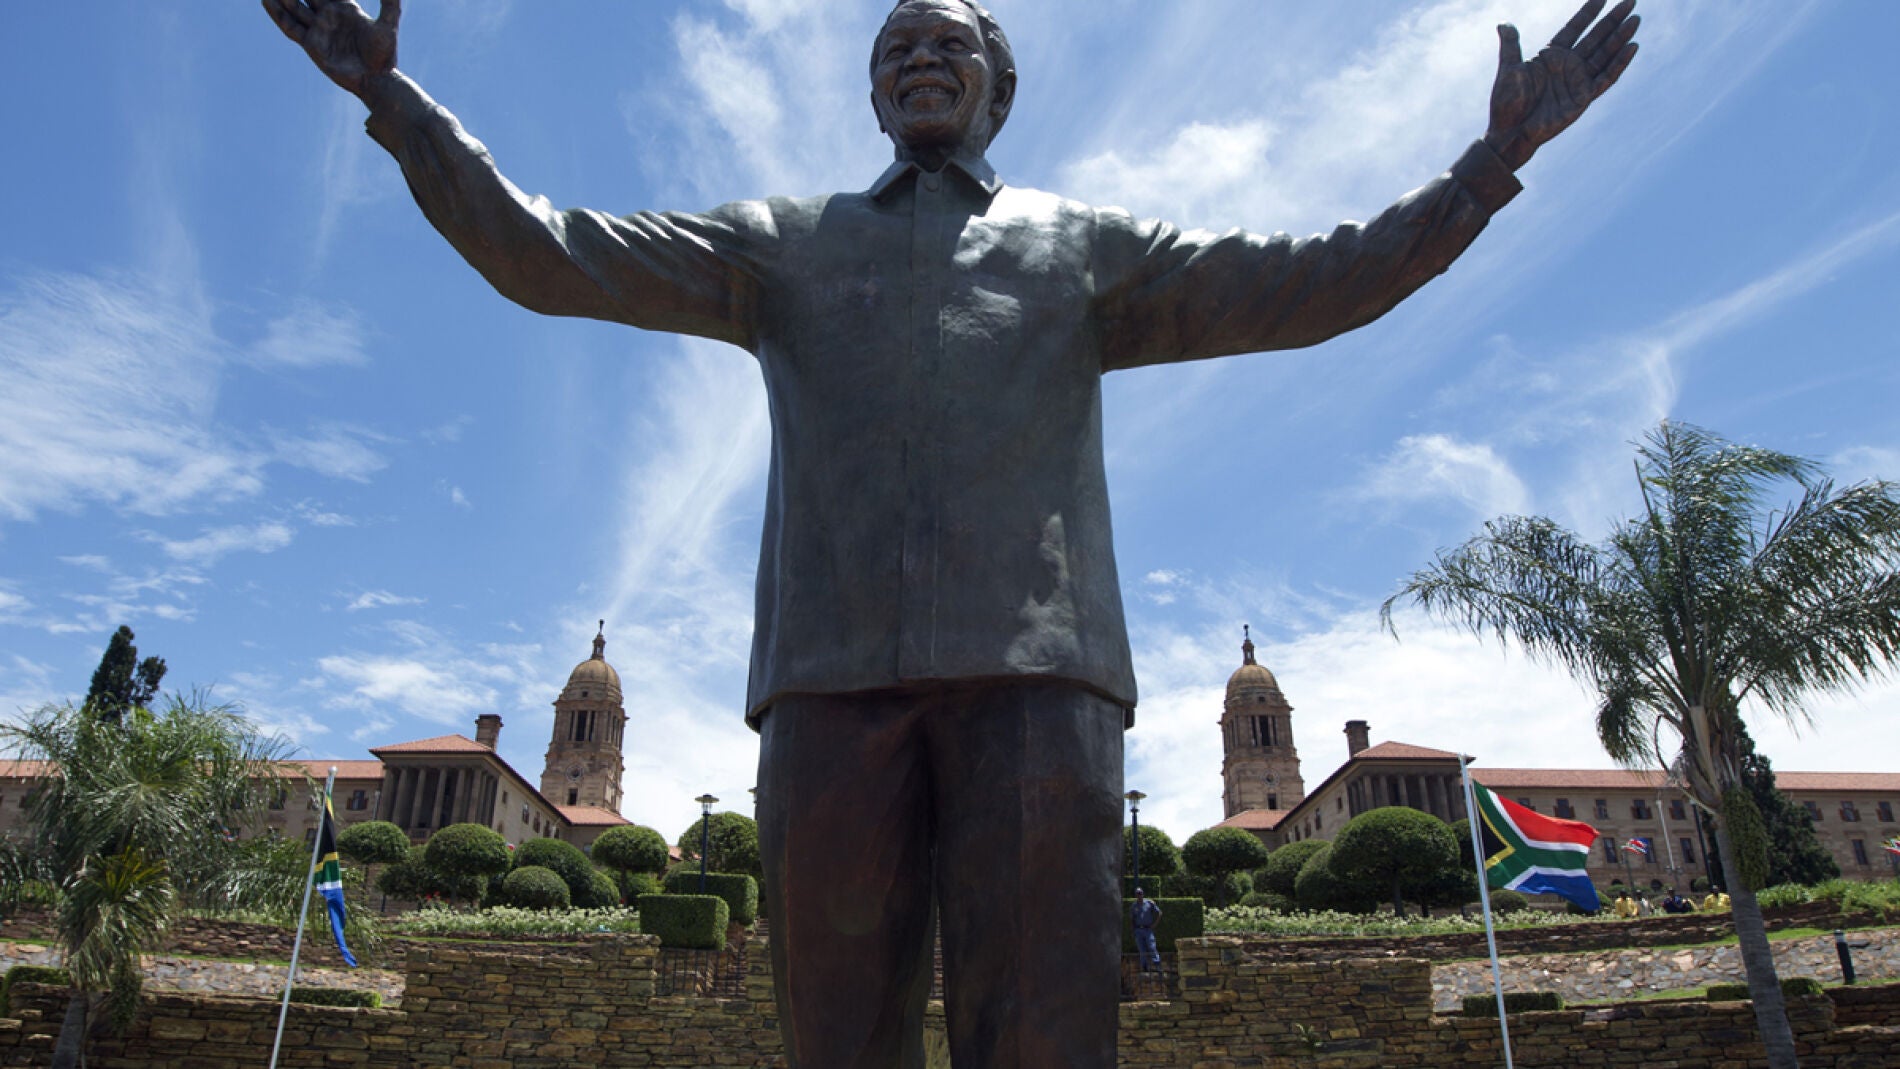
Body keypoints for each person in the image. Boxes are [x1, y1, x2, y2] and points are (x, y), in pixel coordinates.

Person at [263, 1, 1640, 1064]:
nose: (918, 58)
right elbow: (546, 250)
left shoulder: (1081, 246)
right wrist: (393, 99)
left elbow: (1318, 281)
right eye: (893, 46)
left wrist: (1489, 162)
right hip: (827, 683)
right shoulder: (782, 242)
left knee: (1046, 1035)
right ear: (873, 89)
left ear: (1000, 84)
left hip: (1038, 684)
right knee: (835, 1035)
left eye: (947, 41)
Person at [1130, 889, 1163, 973]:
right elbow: (1132, 919)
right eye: (1137, 894)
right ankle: (1144, 967)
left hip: (1148, 929)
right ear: (1135, 895)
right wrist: (1133, 931)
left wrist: (1155, 924)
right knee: (1142, 949)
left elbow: (1159, 913)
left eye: (1140, 893)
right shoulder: (1134, 906)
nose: (1139, 895)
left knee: (1152, 947)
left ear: (1143, 894)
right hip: (1138, 930)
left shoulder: (1149, 903)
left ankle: (1157, 965)